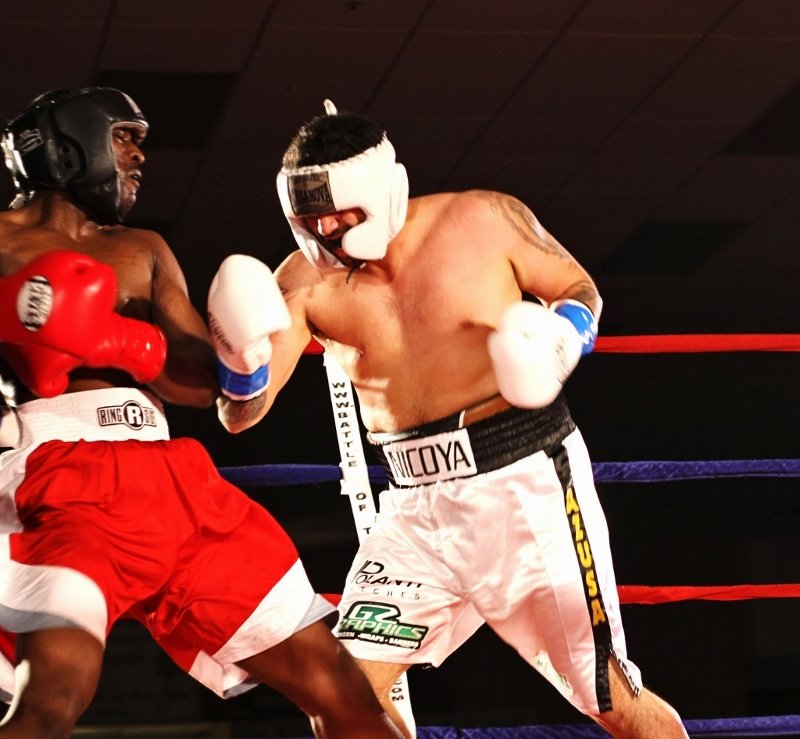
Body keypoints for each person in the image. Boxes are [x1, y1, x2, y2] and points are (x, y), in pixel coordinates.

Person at [214, 100, 691, 739]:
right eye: (309, 218)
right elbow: (241, 416)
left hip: (523, 487)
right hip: (413, 513)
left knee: (605, 693)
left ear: (378, 190)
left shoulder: (483, 219)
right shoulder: (301, 282)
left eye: (338, 212)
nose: (324, 229)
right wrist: (239, 362)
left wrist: (561, 339)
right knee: (344, 695)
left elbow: (579, 290)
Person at [0, 87, 404, 739]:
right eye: (124, 137)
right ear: (69, 144)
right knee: (52, 701)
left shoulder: (143, 248)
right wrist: (20, 319)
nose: (138, 156)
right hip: (60, 479)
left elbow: (196, 382)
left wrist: (225, 362)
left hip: (175, 483)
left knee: (340, 687)